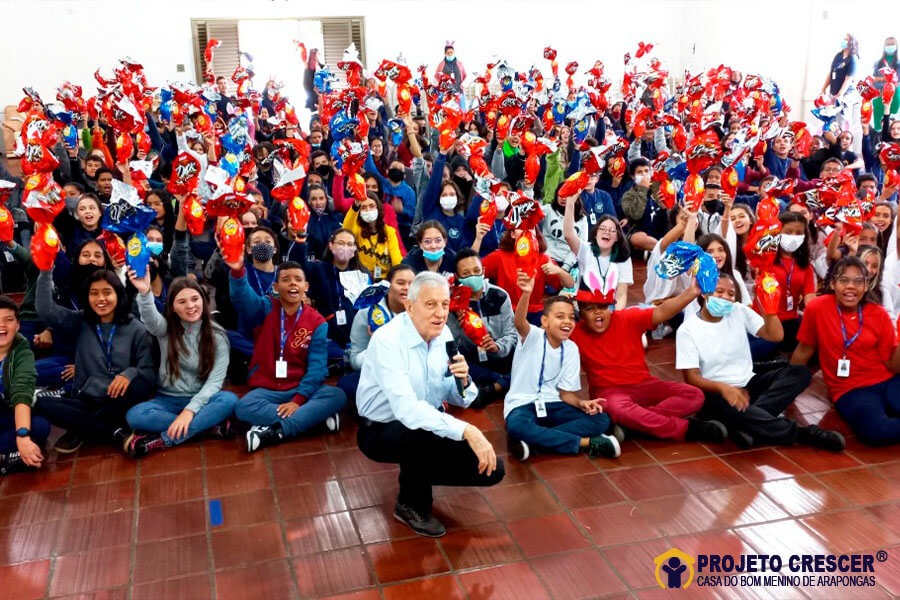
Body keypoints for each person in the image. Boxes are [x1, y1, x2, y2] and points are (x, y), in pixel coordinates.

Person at [356, 272, 504, 537]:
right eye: (430, 304)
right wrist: (468, 431)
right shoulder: (388, 341)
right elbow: (408, 411)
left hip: (424, 423)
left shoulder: (443, 333)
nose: (440, 313)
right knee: (420, 432)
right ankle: (411, 505)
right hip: (380, 430)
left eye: (445, 304)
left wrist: (465, 378)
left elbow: (459, 396)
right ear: (410, 306)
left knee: (492, 470)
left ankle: (418, 470)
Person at [676, 273, 845, 450]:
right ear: (705, 293)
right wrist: (724, 388)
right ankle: (802, 434)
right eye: (719, 291)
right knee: (731, 407)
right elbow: (692, 377)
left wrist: (770, 311)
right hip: (715, 392)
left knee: (799, 373)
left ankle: (748, 424)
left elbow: (775, 335)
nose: (726, 297)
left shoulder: (738, 311)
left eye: (731, 294)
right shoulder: (688, 330)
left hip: (748, 382)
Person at [570, 277, 727, 443]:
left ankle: (635, 424)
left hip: (645, 385)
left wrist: (692, 292)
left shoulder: (627, 318)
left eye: (603, 307)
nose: (598, 312)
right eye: (590, 309)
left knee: (694, 395)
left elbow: (661, 312)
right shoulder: (574, 333)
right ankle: (685, 429)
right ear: (581, 314)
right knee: (618, 408)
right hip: (609, 392)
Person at [227, 255, 346, 452]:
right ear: (275, 287)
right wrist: (238, 271)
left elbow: (317, 368)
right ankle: (313, 419)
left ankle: (276, 430)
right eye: (286, 279)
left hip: (300, 387)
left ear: (306, 286)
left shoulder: (317, 322)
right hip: (267, 389)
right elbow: (243, 299)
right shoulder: (265, 307)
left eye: (298, 279)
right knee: (243, 407)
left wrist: (297, 401)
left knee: (337, 395)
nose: (292, 283)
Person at [504, 271, 620, 462]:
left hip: (554, 404)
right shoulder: (532, 336)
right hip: (522, 405)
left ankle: (533, 442)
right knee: (517, 425)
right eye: (559, 316)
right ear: (545, 321)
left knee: (601, 419)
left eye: (571, 318)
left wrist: (583, 404)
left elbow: (566, 394)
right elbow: (519, 322)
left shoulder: (572, 349)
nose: (567, 321)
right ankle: (588, 443)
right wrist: (526, 294)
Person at [35, 269, 156, 453]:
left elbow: (148, 372)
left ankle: (82, 427)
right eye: (94, 293)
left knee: (139, 385)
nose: (101, 299)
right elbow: (45, 310)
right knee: (43, 403)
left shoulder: (135, 328)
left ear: (118, 294)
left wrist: (129, 374)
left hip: (118, 399)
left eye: (107, 292)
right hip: (88, 398)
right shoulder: (81, 321)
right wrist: (45, 271)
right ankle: (113, 431)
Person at [123, 273, 239, 457]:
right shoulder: (166, 328)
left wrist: (190, 411)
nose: (191, 306)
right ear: (173, 307)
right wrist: (145, 293)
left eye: (195, 299)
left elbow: (215, 382)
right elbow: (150, 319)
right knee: (135, 416)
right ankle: (206, 427)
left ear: (204, 300)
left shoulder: (218, 336)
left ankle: (164, 439)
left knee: (229, 400)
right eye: (182, 302)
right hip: (167, 400)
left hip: (203, 399)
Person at [791, 257, 900, 446]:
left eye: (858, 281)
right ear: (833, 283)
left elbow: (893, 364)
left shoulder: (878, 313)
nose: (851, 286)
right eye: (844, 280)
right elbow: (804, 350)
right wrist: (786, 388)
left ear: (866, 286)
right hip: (851, 390)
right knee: (875, 431)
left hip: (888, 380)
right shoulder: (817, 308)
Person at [448, 249, 517, 407]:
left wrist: (497, 347)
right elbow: (454, 344)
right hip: (473, 361)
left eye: (476, 271)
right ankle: (501, 382)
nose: (472, 276)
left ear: (483, 271)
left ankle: (493, 387)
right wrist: (464, 330)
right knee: (453, 367)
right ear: (458, 277)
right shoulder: (453, 303)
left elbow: (511, 333)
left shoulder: (499, 295)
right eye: (466, 274)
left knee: (529, 360)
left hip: (500, 356)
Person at [339, 265, 415, 404]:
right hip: (376, 375)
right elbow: (355, 361)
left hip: (411, 373)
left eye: (411, 284)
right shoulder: (367, 313)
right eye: (400, 283)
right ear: (388, 285)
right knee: (347, 384)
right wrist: (377, 346)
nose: (406, 288)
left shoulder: (421, 313)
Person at [0, 296, 49, 475]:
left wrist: (22, 436)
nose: (2, 326)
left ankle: (8, 454)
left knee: (40, 426)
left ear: (18, 325)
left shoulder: (22, 351)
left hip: (6, 414)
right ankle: (9, 456)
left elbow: (22, 391)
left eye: (8, 320)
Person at [564, 195, 634, 309]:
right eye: (602, 229)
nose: (607, 232)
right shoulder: (585, 249)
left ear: (617, 237)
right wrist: (570, 203)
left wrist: (616, 318)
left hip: (608, 307)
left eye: (612, 230)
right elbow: (568, 235)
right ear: (595, 234)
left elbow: (621, 295)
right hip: (585, 306)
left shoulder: (623, 257)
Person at [343, 192, 403, 280]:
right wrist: (356, 206)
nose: (368, 210)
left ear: (378, 208)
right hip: (361, 277)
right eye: (363, 207)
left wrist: (399, 276)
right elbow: (345, 230)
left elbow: (396, 259)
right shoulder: (356, 229)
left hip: (384, 278)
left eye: (371, 206)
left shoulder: (389, 231)